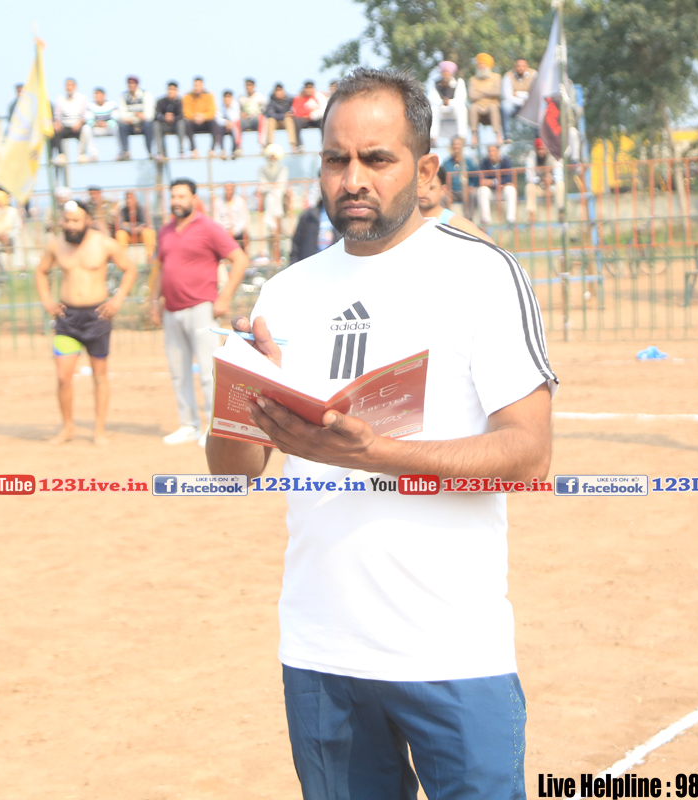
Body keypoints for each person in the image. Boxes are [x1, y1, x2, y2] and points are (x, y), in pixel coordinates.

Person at [206, 66, 556, 799]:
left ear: (424, 170)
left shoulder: (482, 275)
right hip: (321, 652)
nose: (353, 179)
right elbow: (233, 469)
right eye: (337, 159)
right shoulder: (286, 292)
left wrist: (373, 453)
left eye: (377, 158)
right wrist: (238, 396)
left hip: (452, 651)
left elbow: (528, 454)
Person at [149, 178, 249, 446]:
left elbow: (240, 259)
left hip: (201, 308)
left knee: (208, 371)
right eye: (173, 196)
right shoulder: (165, 231)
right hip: (171, 310)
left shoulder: (209, 228)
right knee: (178, 371)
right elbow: (161, 267)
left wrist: (224, 296)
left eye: (181, 196)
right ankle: (188, 425)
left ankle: (213, 428)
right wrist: (154, 301)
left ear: (194, 199)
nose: (176, 201)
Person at [35, 201, 136, 446]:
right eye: (67, 220)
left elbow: (130, 269)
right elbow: (41, 271)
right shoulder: (55, 245)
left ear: (87, 221)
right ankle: (68, 427)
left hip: (97, 317)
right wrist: (48, 302)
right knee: (63, 377)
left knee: (99, 375)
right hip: (67, 319)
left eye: (76, 221)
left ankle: (99, 430)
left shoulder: (104, 244)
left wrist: (117, 300)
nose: (70, 225)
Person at [419, 165, 492, 242]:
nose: (424, 192)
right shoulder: (411, 223)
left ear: (443, 190)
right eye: (419, 187)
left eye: (430, 188)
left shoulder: (456, 224)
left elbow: (490, 245)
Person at [257, 143, 289, 256]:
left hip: (280, 199)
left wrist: (275, 188)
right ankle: (273, 223)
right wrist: (271, 188)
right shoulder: (262, 169)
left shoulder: (283, 169)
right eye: (270, 156)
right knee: (270, 197)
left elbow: (282, 183)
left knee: (275, 195)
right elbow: (263, 184)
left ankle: (276, 222)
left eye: (273, 157)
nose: (272, 159)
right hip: (269, 197)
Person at [52, 78, 94, 165]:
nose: (68, 87)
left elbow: (86, 114)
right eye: (67, 85)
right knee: (55, 129)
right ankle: (61, 155)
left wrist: (80, 123)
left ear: (75, 87)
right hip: (65, 125)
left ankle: (82, 154)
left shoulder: (82, 98)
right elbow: (57, 115)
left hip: (78, 126)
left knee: (85, 130)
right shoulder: (60, 99)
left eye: (70, 85)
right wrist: (57, 123)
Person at [289, 197, 343, 263]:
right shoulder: (309, 216)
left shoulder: (344, 216)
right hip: (311, 264)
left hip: (335, 263)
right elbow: (296, 245)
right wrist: (294, 264)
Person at [428, 61, 469, 146]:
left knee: (461, 108)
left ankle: (462, 137)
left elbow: (461, 98)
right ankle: (433, 138)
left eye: (447, 72)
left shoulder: (459, 81)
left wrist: (449, 102)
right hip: (440, 108)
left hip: (453, 108)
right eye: (444, 72)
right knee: (433, 109)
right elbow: (432, 98)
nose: (445, 74)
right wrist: (442, 102)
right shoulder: (435, 82)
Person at [477, 143, 516, 227]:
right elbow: (482, 181)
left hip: (502, 191)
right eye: (489, 151)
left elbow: (508, 178)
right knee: (481, 190)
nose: (491, 153)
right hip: (491, 192)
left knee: (511, 189)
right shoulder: (484, 162)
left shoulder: (506, 161)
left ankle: (511, 220)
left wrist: (492, 182)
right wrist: (498, 183)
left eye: (493, 151)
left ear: (498, 151)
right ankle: (485, 222)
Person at [183, 76, 225, 157]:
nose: (197, 88)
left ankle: (212, 150)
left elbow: (212, 111)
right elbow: (186, 112)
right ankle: (194, 150)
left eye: (199, 85)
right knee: (187, 124)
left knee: (214, 123)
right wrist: (194, 116)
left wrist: (203, 116)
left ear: (202, 86)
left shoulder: (209, 96)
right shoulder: (188, 96)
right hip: (194, 121)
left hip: (206, 122)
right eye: (195, 85)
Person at [468, 52, 503, 146]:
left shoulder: (496, 77)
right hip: (478, 105)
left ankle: (498, 136)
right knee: (473, 107)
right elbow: (472, 96)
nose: (481, 66)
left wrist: (481, 91)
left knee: (493, 108)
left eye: (483, 64)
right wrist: (489, 92)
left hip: (492, 104)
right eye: (479, 64)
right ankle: (474, 136)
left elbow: (497, 92)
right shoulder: (473, 79)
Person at [525, 137, 564, 219]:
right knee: (529, 186)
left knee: (560, 184)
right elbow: (529, 178)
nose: (540, 151)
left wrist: (551, 180)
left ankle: (561, 212)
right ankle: (531, 214)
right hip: (539, 187)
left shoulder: (553, 155)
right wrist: (541, 180)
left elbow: (559, 175)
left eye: (542, 149)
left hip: (551, 188)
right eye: (538, 149)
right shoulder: (531, 157)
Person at [443, 135, 479, 218]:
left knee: (472, 194)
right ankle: (444, 220)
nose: (456, 146)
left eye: (458, 144)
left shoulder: (468, 162)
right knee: (442, 196)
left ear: (462, 146)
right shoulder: (446, 163)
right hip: (451, 192)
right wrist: (445, 189)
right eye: (454, 144)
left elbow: (476, 177)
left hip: (465, 190)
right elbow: (441, 179)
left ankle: (469, 219)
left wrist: (472, 186)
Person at [501, 57, 536, 141]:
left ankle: (538, 135)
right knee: (505, 105)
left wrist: (517, 93)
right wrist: (524, 100)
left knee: (539, 105)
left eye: (523, 66)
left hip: (531, 105)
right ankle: (507, 135)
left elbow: (535, 94)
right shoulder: (508, 76)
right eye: (518, 66)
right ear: (515, 66)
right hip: (515, 106)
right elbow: (508, 97)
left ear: (527, 66)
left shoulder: (534, 74)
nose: (520, 68)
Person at [116, 75, 151, 160]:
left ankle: (150, 151)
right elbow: (122, 114)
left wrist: (139, 117)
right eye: (129, 83)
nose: (130, 85)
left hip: (143, 124)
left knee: (150, 124)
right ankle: (125, 151)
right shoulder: (123, 96)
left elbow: (149, 114)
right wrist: (134, 115)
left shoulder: (145, 94)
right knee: (121, 125)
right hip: (129, 124)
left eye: (132, 83)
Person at [153, 81, 187, 161]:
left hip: (176, 125)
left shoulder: (180, 102)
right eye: (169, 89)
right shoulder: (161, 102)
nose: (171, 91)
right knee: (156, 125)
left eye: (173, 89)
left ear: (177, 91)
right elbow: (156, 115)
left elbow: (182, 115)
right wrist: (164, 118)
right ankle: (160, 152)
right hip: (164, 125)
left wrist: (173, 118)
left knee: (182, 123)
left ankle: (182, 151)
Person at [291, 81, 327, 152]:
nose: (308, 90)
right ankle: (299, 145)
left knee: (323, 121)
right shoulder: (299, 97)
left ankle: (324, 144)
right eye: (307, 88)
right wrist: (309, 111)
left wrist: (310, 115)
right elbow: (296, 111)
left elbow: (323, 111)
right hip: (303, 119)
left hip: (316, 119)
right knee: (296, 121)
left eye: (310, 88)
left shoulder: (318, 96)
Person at [213, 182, 250, 252]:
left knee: (245, 238)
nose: (229, 191)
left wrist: (234, 232)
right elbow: (216, 220)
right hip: (223, 232)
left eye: (231, 189)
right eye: (227, 189)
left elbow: (244, 220)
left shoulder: (240, 201)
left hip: (238, 233)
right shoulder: (218, 202)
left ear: (234, 190)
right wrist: (225, 232)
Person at [85, 87, 119, 160]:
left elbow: (116, 118)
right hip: (96, 128)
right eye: (96, 94)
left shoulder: (112, 104)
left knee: (118, 127)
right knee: (86, 129)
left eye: (99, 94)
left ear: (104, 95)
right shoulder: (90, 105)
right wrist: (96, 124)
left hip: (109, 128)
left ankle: (120, 152)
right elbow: (88, 119)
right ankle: (94, 155)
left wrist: (107, 124)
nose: (97, 96)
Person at [264, 83, 298, 150]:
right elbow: (271, 114)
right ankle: (269, 145)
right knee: (270, 120)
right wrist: (284, 115)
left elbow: (297, 104)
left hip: (286, 122)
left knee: (288, 119)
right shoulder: (271, 102)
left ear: (283, 91)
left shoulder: (289, 99)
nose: (278, 93)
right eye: (276, 91)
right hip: (275, 122)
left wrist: (292, 114)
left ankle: (293, 145)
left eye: (279, 90)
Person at [239, 77, 268, 149]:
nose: (248, 87)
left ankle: (262, 145)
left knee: (263, 120)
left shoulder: (260, 97)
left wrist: (260, 114)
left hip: (256, 119)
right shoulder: (241, 98)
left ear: (254, 86)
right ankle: (238, 146)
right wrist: (241, 114)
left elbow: (265, 109)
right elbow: (238, 111)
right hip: (245, 120)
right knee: (236, 122)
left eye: (250, 85)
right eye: (247, 85)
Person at [216, 90, 242, 156]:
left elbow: (236, 117)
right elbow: (218, 118)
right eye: (225, 97)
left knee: (236, 127)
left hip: (233, 125)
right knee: (219, 129)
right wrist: (226, 122)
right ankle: (222, 150)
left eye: (228, 97)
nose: (227, 99)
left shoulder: (235, 105)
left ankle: (235, 149)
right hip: (224, 126)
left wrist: (228, 108)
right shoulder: (220, 106)